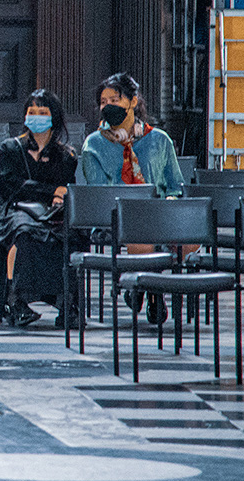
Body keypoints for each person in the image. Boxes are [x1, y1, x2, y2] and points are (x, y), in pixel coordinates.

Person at [79, 72, 187, 325]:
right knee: (141, 232)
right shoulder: (93, 144)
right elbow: (98, 193)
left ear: (133, 102)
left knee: (189, 240)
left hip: (159, 212)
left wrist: (172, 201)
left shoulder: (160, 140)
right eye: (104, 102)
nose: (108, 106)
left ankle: (140, 286)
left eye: (115, 100)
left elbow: (174, 186)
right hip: (116, 216)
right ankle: (152, 290)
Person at [0, 89, 79, 328]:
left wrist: (58, 196)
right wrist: (50, 191)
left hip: (52, 212)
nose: (36, 116)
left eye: (42, 112)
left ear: (54, 117)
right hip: (17, 209)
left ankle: (67, 302)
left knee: (69, 235)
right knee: (24, 232)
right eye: (32, 112)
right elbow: (12, 186)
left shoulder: (67, 155)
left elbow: (66, 189)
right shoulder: (10, 148)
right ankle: (15, 299)